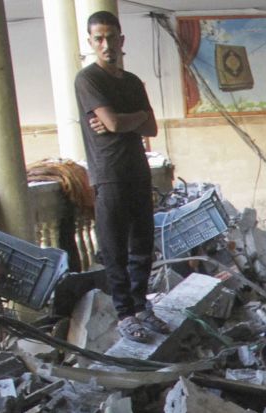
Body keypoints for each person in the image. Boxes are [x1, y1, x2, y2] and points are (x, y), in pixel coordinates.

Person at [75, 10, 167, 344]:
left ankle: (142, 308)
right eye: (99, 38)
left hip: (137, 172)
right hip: (108, 174)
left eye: (111, 37)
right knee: (114, 249)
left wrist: (125, 119)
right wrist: (135, 118)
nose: (106, 44)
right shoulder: (88, 80)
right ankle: (125, 314)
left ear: (121, 40)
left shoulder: (131, 82)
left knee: (142, 244)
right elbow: (115, 124)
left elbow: (151, 127)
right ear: (91, 43)